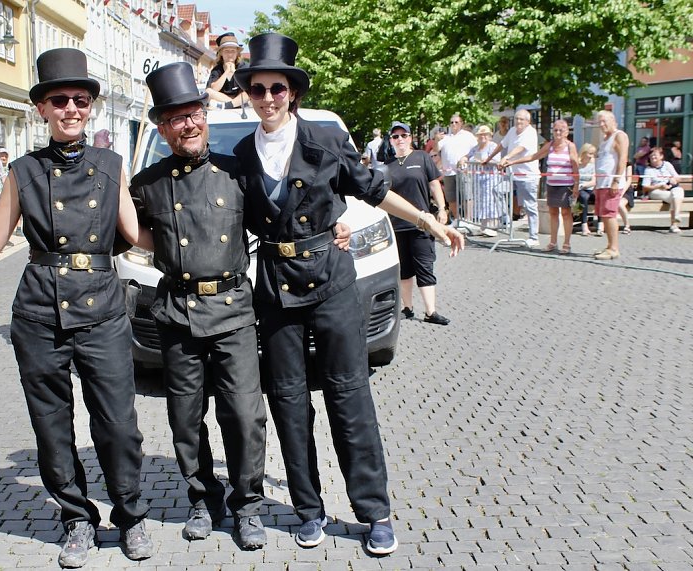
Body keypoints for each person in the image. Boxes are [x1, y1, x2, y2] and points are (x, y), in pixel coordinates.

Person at [0, 48, 153, 569]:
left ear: (90, 108)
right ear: (41, 107)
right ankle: (77, 519)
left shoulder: (112, 166)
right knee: (51, 425)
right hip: (40, 312)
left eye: (80, 100)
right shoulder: (23, 171)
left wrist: (207, 243)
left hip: (103, 307)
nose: (70, 109)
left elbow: (138, 235)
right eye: (58, 100)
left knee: (118, 424)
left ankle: (130, 515)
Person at [232, 32, 464, 556]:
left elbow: (375, 191)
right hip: (273, 285)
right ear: (248, 93)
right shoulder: (243, 154)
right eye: (258, 89)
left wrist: (429, 221)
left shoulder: (325, 141)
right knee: (288, 401)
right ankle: (307, 509)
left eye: (277, 88)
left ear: (291, 92)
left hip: (333, 281)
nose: (267, 97)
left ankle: (374, 511)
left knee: (348, 394)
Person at [129, 61, 270, 551]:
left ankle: (247, 502)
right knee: (185, 416)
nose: (187, 124)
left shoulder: (237, 174)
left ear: (204, 116)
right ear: (162, 128)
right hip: (176, 311)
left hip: (232, 308)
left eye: (193, 114)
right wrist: (162, 248)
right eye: (175, 118)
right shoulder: (147, 183)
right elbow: (125, 230)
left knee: (244, 413)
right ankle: (201, 498)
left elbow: (279, 220)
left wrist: (331, 225)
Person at [384, 121, 450, 325]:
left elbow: (434, 184)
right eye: (395, 137)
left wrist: (441, 208)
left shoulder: (421, 157)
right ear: (391, 141)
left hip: (421, 223)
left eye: (403, 135)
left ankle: (431, 311)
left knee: (424, 265)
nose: (400, 140)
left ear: (410, 138)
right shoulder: (387, 166)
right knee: (403, 269)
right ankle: (407, 307)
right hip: (397, 225)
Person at [502, 119, 578, 254]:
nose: (558, 132)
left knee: (566, 213)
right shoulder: (550, 145)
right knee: (553, 213)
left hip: (566, 185)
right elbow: (534, 156)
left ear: (566, 132)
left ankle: (567, 243)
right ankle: (553, 242)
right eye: (556, 130)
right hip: (552, 184)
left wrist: (576, 186)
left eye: (561, 130)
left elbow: (575, 166)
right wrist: (512, 161)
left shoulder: (570, 146)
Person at [486, 109, 541, 247]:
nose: (519, 121)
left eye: (522, 119)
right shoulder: (512, 131)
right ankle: (506, 220)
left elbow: (521, 148)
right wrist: (489, 158)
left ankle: (534, 237)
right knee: (497, 190)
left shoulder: (530, 132)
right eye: (517, 118)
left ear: (528, 121)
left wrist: (507, 157)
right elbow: (501, 145)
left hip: (527, 175)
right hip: (512, 174)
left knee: (529, 205)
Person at [593, 110, 629, 259]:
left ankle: (614, 248)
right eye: (599, 122)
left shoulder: (619, 135)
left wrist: (615, 181)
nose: (601, 125)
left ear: (613, 121)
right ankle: (609, 246)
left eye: (604, 121)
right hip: (602, 183)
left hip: (611, 183)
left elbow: (623, 159)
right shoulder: (605, 139)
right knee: (604, 215)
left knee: (609, 214)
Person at [458, 125, 503, 237]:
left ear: (489, 136)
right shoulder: (475, 148)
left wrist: (485, 161)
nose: (483, 137)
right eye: (480, 135)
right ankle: (483, 226)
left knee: (490, 201)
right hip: (478, 179)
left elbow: (497, 160)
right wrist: (464, 159)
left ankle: (492, 226)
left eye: (485, 134)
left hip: (490, 178)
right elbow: (468, 156)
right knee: (481, 202)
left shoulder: (493, 146)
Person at [438, 113, 477, 224]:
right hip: (448, 172)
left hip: (463, 170)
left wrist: (466, 157)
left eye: (456, 122)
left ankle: (469, 221)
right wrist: (436, 140)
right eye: (452, 122)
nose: (454, 124)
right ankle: (457, 220)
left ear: (461, 123)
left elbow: (476, 148)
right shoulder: (446, 137)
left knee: (466, 196)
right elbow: (436, 149)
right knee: (451, 198)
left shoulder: (468, 136)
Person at [642, 147, 685, 233]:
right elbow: (645, 187)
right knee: (675, 197)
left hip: (670, 189)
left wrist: (674, 179)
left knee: (679, 191)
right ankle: (674, 224)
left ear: (661, 156)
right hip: (656, 191)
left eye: (655, 155)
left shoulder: (667, 164)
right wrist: (659, 187)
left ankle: (676, 216)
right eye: (651, 156)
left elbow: (678, 178)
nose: (653, 158)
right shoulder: (648, 170)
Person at [205, 32, 249, 109]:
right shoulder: (217, 69)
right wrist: (227, 72)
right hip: (224, 99)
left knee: (250, 91)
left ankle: (228, 106)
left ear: (237, 53)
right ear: (221, 53)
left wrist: (235, 73)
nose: (230, 54)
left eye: (233, 51)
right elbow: (213, 89)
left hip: (239, 99)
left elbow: (246, 88)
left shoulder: (244, 67)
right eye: (226, 51)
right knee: (208, 91)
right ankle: (234, 104)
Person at [576, 143, 597, 236]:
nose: (591, 156)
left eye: (593, 154)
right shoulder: (577, 164)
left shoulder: (592, 165)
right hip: (578, 189)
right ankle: (584, 224)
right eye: (590, 153)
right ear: (584, 153)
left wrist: (584, 185)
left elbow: (594, 181)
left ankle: (601, 224)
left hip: (588, 187)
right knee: (583, 198)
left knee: (599, 197)